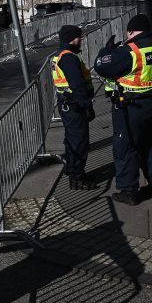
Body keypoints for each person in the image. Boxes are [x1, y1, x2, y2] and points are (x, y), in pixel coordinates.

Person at [93, 14, 152, 205]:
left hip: (131, 107)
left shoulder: (130, 52)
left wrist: (107, 50)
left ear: (131, 31)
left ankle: (129, 191)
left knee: (126, 147)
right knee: (150, 142)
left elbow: (101, 66)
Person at [53, 25, 96, 190]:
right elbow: (77, 85)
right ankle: (77, 178)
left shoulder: (62, 55)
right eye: (78, 37)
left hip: (68, 104)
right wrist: (87, 106)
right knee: (79, 142)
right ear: (71, 38)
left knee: (72, 140)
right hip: (74, 105)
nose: (81, 39)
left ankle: (74, 172)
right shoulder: (69, 58)